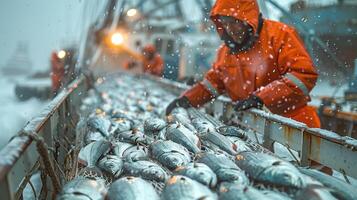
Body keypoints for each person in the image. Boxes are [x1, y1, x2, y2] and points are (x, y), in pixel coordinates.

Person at [166, 0, 331, 174]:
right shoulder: (226, 51)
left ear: (248, 18)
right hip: (252, 132)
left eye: (235, 22)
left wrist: (262, 98)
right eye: (226, 23)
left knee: (314, 183)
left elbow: (303, 75)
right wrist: (186, 99)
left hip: (296, 129)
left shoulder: (280, 34)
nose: (231, 29)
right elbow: (213, 83)